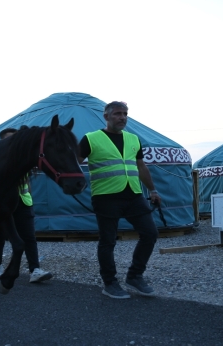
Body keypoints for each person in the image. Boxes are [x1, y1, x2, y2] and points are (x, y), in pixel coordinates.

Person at [77, 101, 162, 299]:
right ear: (106, 116)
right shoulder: (91, 139)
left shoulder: (134, 139)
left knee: (150, 233)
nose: (122, 117)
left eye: (124, 114)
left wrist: (153, 190)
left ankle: (135, 275)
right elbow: (74, 163)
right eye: (117, 114)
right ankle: (110, 283)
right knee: (108, 241)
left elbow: (141, 167)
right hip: (106, 196)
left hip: (133, 194)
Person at [0, 127, 53, 283]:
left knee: (29, 237)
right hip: (1, 204)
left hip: (23, 201)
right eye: (10, 140)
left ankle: (35, 270)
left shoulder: (25, 158)